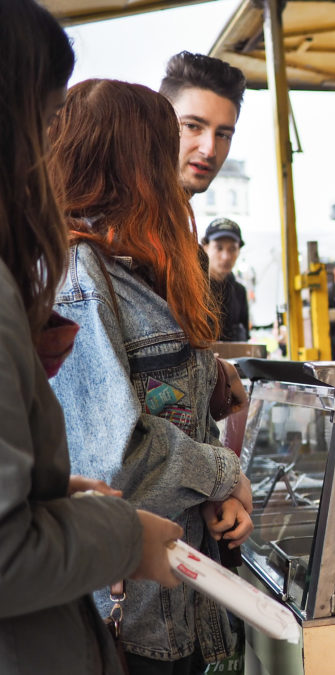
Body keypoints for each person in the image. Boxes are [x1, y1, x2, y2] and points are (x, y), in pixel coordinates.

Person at [48, 79, 254, 673]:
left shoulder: (132, 265)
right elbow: (117, 458)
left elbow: (170, 410)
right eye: (170, 143)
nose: (182, 162)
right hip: (137, 621)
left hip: (186, 600)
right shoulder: (79, 275)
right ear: (134, 162)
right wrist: (224, 473)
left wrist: (218, 491)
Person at [0, 3, 182, 673]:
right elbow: (120, 446)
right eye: (48, 116)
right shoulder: (79, 272)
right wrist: (122, 530)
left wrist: (53, 490)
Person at [159, 51, 246, 196]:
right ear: (158, 121)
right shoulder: (118, 213)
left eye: (223, 135)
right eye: (192, 126)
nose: (209, 150)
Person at [201, 217, 250, 341]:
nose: (226, 257)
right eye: (219, 248)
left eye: (232, 249)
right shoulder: (192, 288)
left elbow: (245, 341)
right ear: (205, 247)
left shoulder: (239, 292)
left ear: (239, 250)